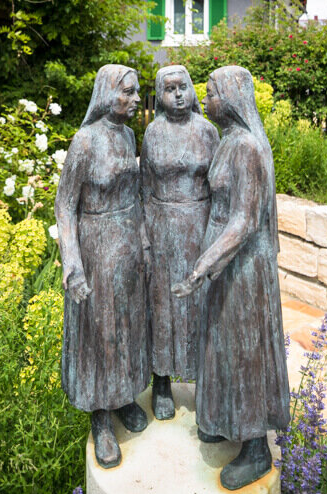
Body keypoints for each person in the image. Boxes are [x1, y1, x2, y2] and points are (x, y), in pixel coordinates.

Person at [173, 65, 291, 490]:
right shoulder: (230, 142)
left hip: (242, 266)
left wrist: (203, 267)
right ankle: (224, 420)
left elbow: (243, 222)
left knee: (245, 350)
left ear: (232, 98)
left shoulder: (248, 149)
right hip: (225, 260)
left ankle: (256, 447)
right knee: (220, 344)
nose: (206, 100)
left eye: (212, 93)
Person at [55, 64, 151, 469]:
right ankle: (100, 419)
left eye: (136, 93)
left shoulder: (129, 135)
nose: (134, 100)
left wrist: (143, 241)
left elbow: (136, 193)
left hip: (127, 243)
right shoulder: (85, 141)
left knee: (129, 325)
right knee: (102, 331)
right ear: (106, 93)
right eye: (126, 92)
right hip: (96, 246)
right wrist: (72, 264)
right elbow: (65, 204)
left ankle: (125, 395)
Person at [140, 65, 219, 420]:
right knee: (163, 302)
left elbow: (220, 186)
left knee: (201, 302)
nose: (178, 95)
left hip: (200, 226)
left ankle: (205, 378)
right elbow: (143, 187)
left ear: (192, 90)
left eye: (183, 87)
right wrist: (144, 234)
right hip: (160, 226)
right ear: (160, 95)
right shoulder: (152, 132)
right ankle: (161, 380)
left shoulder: (208, 131)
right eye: (169, 89)